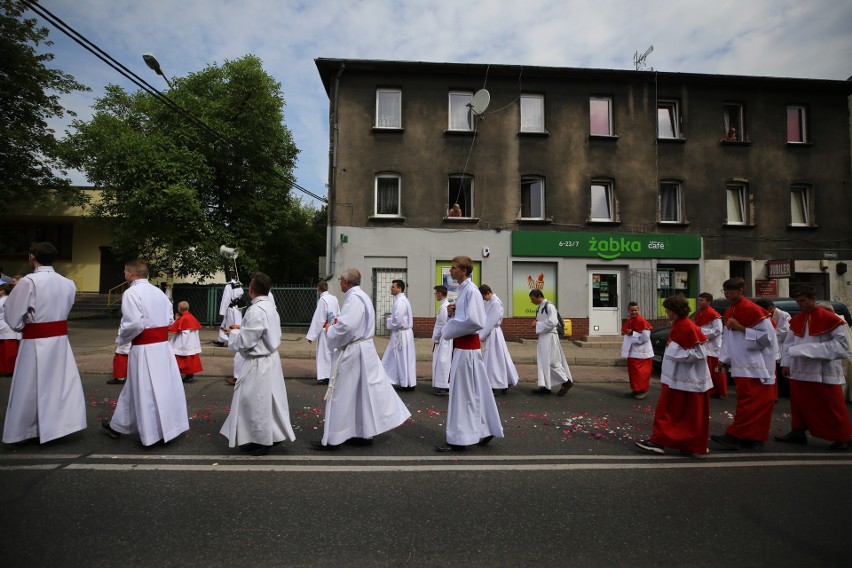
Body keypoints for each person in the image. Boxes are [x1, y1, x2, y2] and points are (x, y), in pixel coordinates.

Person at [313, 268, 411, 449]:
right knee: (361, 394)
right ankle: (362, 432)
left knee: (341, 394)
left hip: (354, 351)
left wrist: (329, 331)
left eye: (341, 280)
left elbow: (346, 328)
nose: (340, 283)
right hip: (363, 350)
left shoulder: (354, 299)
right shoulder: (362, 296)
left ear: (346, 282)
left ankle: (334, 439)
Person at [2, 242, 87, 444]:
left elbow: (13, 316)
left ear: (32, 257)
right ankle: (60, 425)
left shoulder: (28, 282)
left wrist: (19, 326)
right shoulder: (67, 282)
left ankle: (29, 428)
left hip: (35, 340)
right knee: (59, 383)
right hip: (59, 341)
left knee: (31, 384)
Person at [101, 259, 189, 448]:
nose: (124, 275)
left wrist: (121, 338)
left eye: (125, 271)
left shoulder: (131, 293)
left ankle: (153, 433)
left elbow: (134, 323)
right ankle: (119, 425)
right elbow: (168, 319)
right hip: (162, 348)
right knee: (149, 387)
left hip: (144, 348)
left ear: (131, 274)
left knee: (145, 389)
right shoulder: (159, 293)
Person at [220, 272, 296, 456]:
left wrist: (234, 335)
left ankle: (262, 440)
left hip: (259, 363)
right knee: (266, 401)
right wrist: (241, 330)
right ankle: (267, 435)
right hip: (269, 360)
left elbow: (246, 341)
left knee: (257, 402)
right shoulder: (270, 307)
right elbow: (258, 331)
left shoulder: (256, 310)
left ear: (251, 290)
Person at [436, 256, 504, 452]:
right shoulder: (464, 289)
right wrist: (452, 313)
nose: (451, 271)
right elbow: (466, 316)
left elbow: (475, 321)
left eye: (454, 268)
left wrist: (448, 330)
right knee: (475, 391)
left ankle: (460, 439)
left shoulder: (472, 291)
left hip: (467, 350)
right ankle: (485, 428)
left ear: (464, 271)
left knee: (462, 394)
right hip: (464, 349)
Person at [775, 286, 852, 450]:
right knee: (798, 403)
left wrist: (804, 350)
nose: (800, 304)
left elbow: (840, 346)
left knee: (831, 405)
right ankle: (798, 432)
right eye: (797, 301)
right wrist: (787, 363)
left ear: (813, 298)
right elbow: (789, 343)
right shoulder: (797, 319)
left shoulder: (831, 319)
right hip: (798, 369)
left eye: (802, 301)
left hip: (822, 370)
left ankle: (842, 436)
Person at [635, 295, 712, 455]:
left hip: (685, 380)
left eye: (667, 309)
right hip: (677, 379)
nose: (666, 312)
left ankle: (660, 441)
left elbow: (699, 353)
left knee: (670, 412)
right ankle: (685, 444)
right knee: (681, 414)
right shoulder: (678, 324)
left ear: (673, 310)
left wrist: (673, 351)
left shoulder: (686, 326)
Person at [710, 277, 777, 451]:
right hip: (741, 364)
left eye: (730, 291)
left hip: (755, 365)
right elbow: (729, 339)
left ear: (741, 290)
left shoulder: (755, 311)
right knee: (748, 403)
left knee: (750, 403)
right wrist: (724, 359)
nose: (726, 294)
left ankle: (736, 436)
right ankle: (752, 438)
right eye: (724, 291)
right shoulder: (730, 309)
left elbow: (768, 339)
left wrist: (741, 327)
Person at [529, 289, 573, 396]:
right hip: (544, 337)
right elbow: (543, 321)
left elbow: (553, 322)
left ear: (539, 296)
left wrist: (538, 324)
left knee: (552, 362)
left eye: (533, 299)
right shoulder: (540, 308)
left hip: (550, 336)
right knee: (543, 361)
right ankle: (545, 386)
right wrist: (537, 323)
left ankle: (566, 382)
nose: (532, 301)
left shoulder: (549, 306)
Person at [479, 284, 519, 394]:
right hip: (492, 333)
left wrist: (481, 336)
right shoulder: (492, 302)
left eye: (483, 296)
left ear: (487, 292)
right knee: (498, 358)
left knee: (494, 359)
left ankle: (498, 383)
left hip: (493, 333)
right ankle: (502, 382)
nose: (483, 299)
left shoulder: (495, 303)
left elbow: (491, 322)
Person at [381, 279, 417, 391]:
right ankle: (406, 382)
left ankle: (404, 383)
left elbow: (397, 321)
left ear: (399, 288)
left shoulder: (400, 302)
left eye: (393, 287)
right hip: (404, 333)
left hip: (401, 334)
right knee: (404, 358)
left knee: (401, 359)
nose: (391, 288)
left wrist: (388, 320)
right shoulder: (403, 300)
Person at [305, 279, 340, 386]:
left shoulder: (322, 300)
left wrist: (311, 336)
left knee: (324, 353)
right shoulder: (334, 298)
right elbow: (338, 313)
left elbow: (318, 319)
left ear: (318, 289)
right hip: (334, 328)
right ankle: (333, 375)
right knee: (332, 353)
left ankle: (325, 376)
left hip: (325, 331)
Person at [756, 298, 791, 399]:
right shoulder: (766, 316)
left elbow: (785, 331)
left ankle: (785, 393)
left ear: (770, 308)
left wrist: (769, 334)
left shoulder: (784, 315)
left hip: (781, 345)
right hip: (771, 346)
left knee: (781, 371)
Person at [694, 292, 727, 398]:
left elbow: (718, 331)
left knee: (717, 370)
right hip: (704, 345)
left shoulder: (714, 315)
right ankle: (708, 390)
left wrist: (700, 331)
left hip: (713, 346)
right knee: (707, 369)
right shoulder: (699, 313)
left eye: (702, 300)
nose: (699, 302)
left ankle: (719, 390)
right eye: (699, 300)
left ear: (709, 302)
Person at [620, 301, 653, 399]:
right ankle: (635, 390)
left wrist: (632, 333)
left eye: (635, 310)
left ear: (639, 310)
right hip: (633, 351)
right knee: (634, 372)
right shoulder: (631, 320)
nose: (634, 312)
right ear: (628, 311)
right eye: (632, 310)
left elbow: (646, 337)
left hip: (641, 352)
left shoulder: (641, 321)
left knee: (641, 372)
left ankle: (643, 390)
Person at [168, 301, 204, 384]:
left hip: (183, 342)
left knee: (179, 358)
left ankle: (176, 375)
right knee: (191, 359)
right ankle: (189, 376)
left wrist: (176, 319)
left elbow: (173, 329)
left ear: (179, 309)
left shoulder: (182, 318)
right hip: (192, 342)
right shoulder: (192, 317)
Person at [431, 285, 452, 396]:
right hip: (445, 337)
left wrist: (435, 337)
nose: (435, 295)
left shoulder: (444, 307)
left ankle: (443, 385)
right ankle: (444, 384)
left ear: (440, 293)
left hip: (444, 338)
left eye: (435, 293)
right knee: (444, 361)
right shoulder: (445, 306)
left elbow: (441, 324)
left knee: (443, 361)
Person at [216, 272, 243, 346]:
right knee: (227, 324)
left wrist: (222, 312)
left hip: (231, 309)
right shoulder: (239, 286)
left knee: (229, 325)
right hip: (237, 308)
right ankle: (220, 340)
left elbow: (226, 299)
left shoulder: (229, 286)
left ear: (229, 277)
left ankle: (231, 341)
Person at [0, 283, 21, 376]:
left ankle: (7, 369)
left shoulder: (2, 300)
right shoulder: (14, 300)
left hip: (3, 326)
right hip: (13, 326)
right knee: (12, 349)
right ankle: (13, 368)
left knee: (6, 350)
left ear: (3, 291)